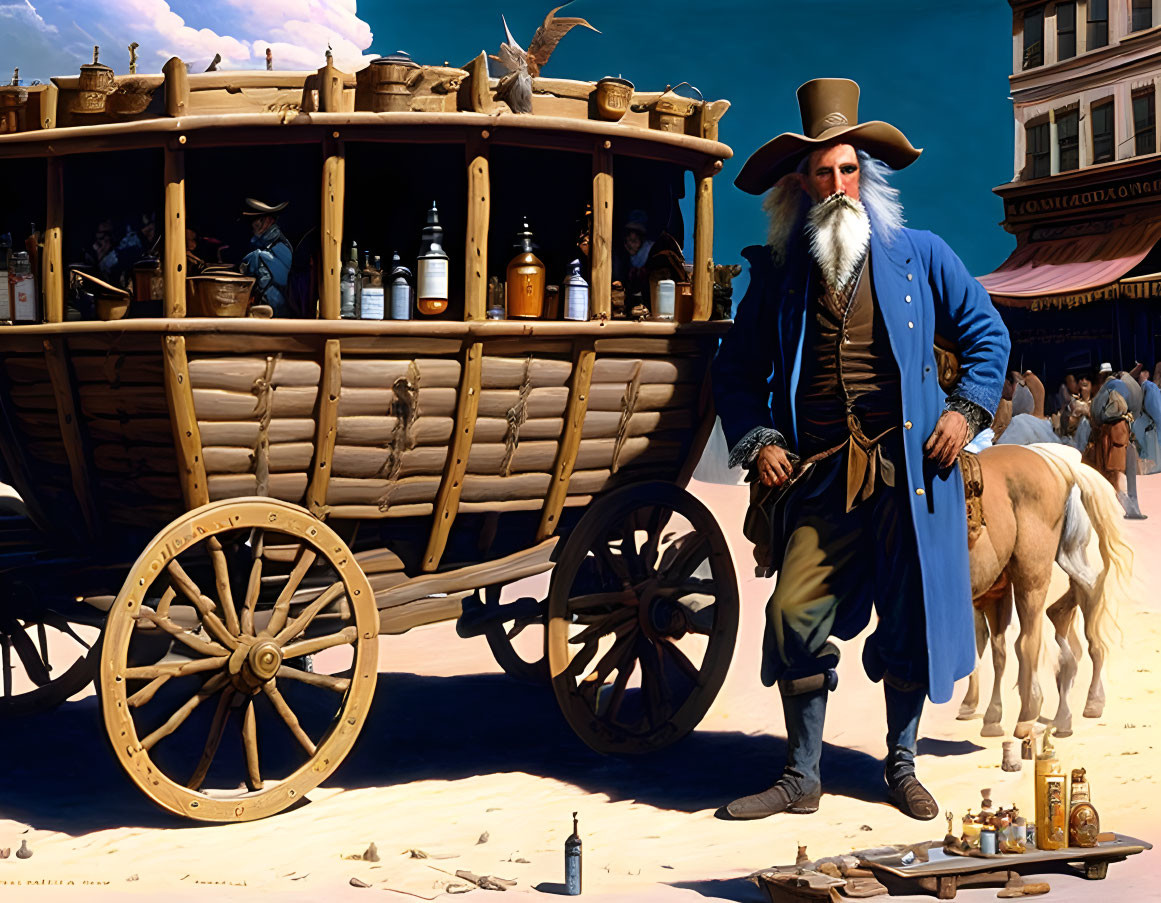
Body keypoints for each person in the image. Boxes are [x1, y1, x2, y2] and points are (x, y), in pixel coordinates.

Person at [712, 78, 1009, 821]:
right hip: (815, 476)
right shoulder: (778, 274)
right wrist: (759, 440)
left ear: (864, 178)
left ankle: (901, 763)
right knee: (791, 613)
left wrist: (964, 410)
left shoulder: (922, 255)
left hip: (909, 474)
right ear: (800, 184)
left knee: (908, 619)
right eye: (822, 172)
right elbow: (737, 370)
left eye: (848, 170)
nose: (837, 184)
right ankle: (800, 774)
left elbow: (986, 336)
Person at [240, 197, 293, 315]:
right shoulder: (262, 245)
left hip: (276, 312)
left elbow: (283, 280)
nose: (252, 225)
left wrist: (256, 257)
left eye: (255, 220)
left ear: (266, 220)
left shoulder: (280, 247)